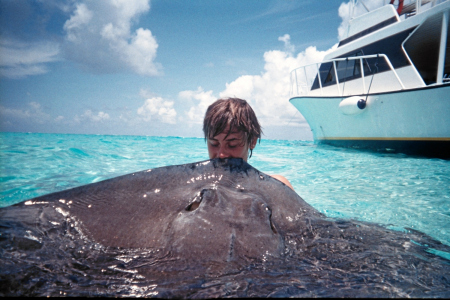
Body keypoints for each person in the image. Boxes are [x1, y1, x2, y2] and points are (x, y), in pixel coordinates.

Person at [203, 97, 294, 190]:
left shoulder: (276, 187)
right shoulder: (195, 186)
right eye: (214, 143)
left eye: (232, 145)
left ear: (252, 141)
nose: (221, 154)